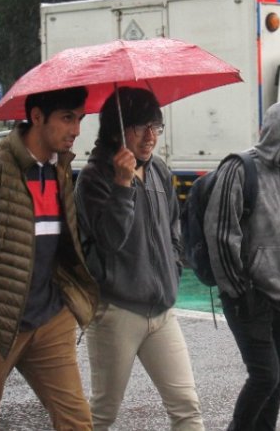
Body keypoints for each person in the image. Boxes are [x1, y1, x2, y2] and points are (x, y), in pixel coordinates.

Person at [0, 86, 98, 431]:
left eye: (79, 119)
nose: (75, 129)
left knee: (77, 421)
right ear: (36, 117)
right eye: (67, 118)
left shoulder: (59, 167)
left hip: (50, 318)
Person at [75, 88, 204, 431]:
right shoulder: (93, 179)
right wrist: (121, 185)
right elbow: (109, 241)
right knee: (102, 413)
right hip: (115, 312)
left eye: (156, 127)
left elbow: (173, 225)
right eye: (140, 127)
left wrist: (173, 267)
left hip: (161, 312)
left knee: (187, 406)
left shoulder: (159, 170)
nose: (150, 137)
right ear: (117, 130)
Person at [205, 100, 280, 431]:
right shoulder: (239, 170)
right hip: (249, 297)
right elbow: (221, 235)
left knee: (279, 378)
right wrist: (241, 292)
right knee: (265, 375)